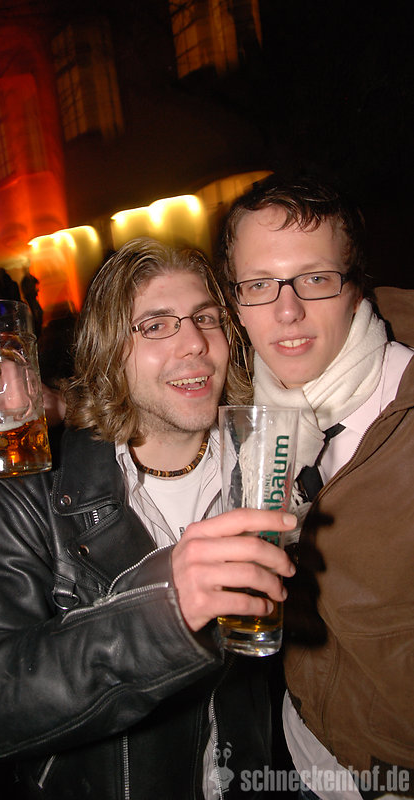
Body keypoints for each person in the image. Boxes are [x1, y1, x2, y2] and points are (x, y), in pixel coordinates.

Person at [0, 238, 297, 800]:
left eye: (205, 318)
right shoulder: (33, 487)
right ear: (107, 351)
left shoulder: (266, 463)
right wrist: (161, 617)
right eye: (155, 325)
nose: (194, 342)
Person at [218, 175, 414, 800]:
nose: (286, 311)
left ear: (356, 287)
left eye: (316, 278)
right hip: (302, 752)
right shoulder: (250, 411)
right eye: (259, 285)